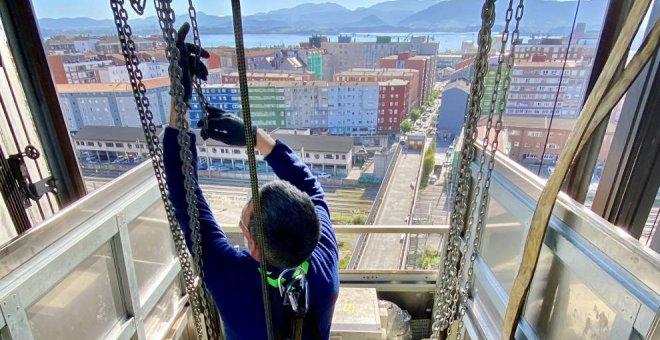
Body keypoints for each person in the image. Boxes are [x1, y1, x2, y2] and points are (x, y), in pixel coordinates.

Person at [162, 23, 339, 339]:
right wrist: (255, 136)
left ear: (253, 245)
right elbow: (311, 186)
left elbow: (184, 193)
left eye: (243, 223)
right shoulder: (323, 259)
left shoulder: (231, 278)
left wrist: (179, 95)